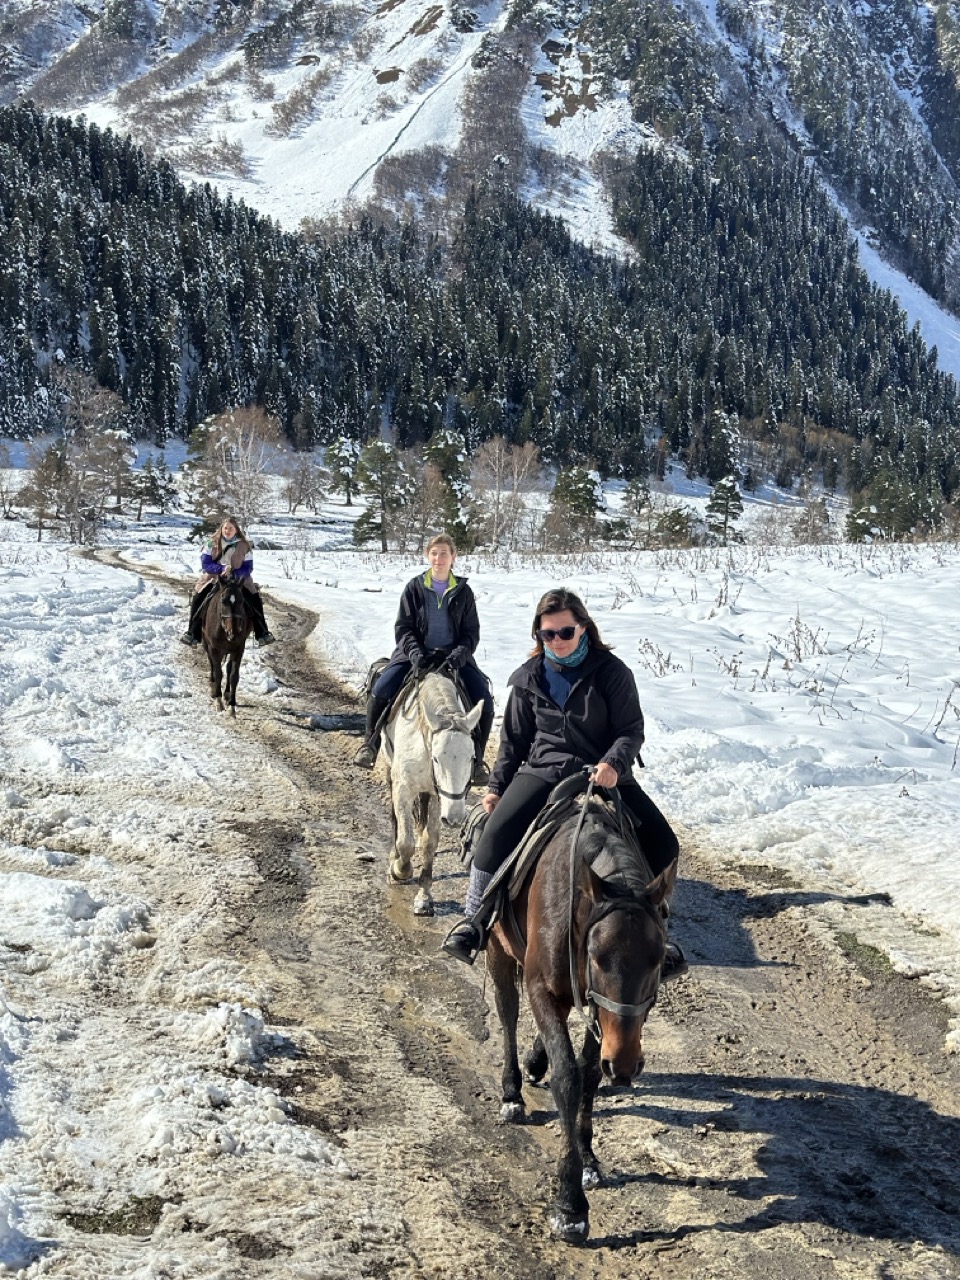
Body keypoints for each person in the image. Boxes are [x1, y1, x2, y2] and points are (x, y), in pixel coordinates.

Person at [441, 587, 685, 976]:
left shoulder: (612, 672)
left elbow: (630, 730)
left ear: (584, 628)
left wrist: (613, 763)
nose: (556, 641)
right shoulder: (527, 678)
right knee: (493, 837)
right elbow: (514, 740)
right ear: (537, 635)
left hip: (603, 775)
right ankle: (475, 920)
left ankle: (658, 928)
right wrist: (497, 787)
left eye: (565, 632)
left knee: (663, 843)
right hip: (544, 771)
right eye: (547, 634)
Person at [353, 533, 495, 784]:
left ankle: (477, 761)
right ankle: (370, 744)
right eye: (434, 553)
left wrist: (459, 655)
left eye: (444, 553)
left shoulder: (464, 592)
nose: (438, 559)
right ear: (427, 556)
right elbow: (404, 627)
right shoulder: (414, 588)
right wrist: (415, 653)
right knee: (383, 687)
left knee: (483, 698)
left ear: (453, 557)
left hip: (453, 659)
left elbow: (471, 633)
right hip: (414, 657)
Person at [179, 516, 276, 648]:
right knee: (198, 598)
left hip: (239, 579)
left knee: (254, 600)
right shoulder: (211, 543)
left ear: (236, 530)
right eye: (225, 528)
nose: (227, 531)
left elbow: (248, 567)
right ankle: (193, 633)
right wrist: (221, 569)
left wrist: (236, 572)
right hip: (214, 578)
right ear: (221, 529)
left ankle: (262, 632)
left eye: (230, 528)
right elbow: (206, 563)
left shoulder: (244, 545)